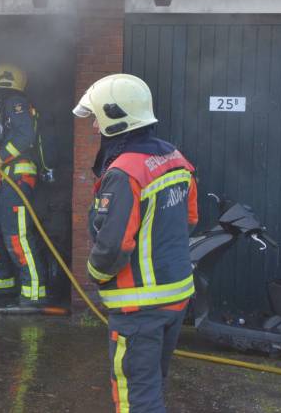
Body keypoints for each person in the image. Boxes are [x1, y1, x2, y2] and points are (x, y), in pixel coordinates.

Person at [73, 73, 198, 413]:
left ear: (115, 118)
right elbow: (189, 219)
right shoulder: (176, 158)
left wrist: (95, 275)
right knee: (152, 386)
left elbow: (113, 248)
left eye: (98, 118)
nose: (95, 127)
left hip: (139, 308)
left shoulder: (124, 172)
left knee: (136, 398)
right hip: (174, 297)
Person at [0, 63, 54, 309]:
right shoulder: (0, 110)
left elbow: (24, 137)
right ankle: (3, 283)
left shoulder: (17, 103)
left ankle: (34, 293)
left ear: (7, 80)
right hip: (0, 181)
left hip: (18, 178)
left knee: (17, 237)